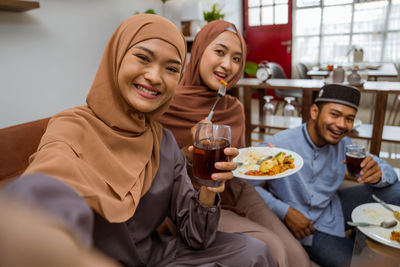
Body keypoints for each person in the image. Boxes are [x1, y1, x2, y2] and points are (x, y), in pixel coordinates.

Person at [2, 14, 274, 267]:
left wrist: (208, 186)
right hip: (94, 258)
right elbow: (48, 187)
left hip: (154, 256)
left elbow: (196, 238)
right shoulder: (73, 126)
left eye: (170, 68)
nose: (155, 77)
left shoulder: (163, 141)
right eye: (143, 58)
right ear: (117, 57)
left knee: (255, 250)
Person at [159, 20, 310, 267]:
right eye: (219, 52)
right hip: (190, 203)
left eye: (237, 59)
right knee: (272, 249)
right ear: (198, 51)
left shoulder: (233, 108)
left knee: (297, 257)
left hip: (236, 190)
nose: (228, 65)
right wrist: (190, 152)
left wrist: (261, 162)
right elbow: (152, 176)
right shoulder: (165, 105)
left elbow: (237, 162)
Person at [251, 84, 400, 267]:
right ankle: (360, 236)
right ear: (314, 112)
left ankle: (364, 233)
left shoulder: (345, 144)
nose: (341, 125)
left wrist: (378, 174)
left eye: (349, 118)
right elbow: (248, 187)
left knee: (396, 189)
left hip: (332, 209)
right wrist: (285, 211)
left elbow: (389, 172)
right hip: (305, 231)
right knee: (361, 262)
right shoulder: (280, 144)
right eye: (334, 114)